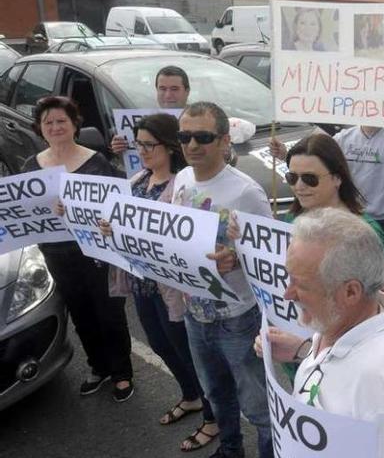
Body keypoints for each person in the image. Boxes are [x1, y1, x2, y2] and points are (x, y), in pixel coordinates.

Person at [254, 208, 384, 457]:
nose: (288, 293)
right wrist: (303, 351)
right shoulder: (338, 319)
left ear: (351, 292)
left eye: (301, 284)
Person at [99, 113, 218, 451]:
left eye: (149, 145)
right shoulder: (138, 179)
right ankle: (191, 396)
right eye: (139, 144)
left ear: (168, 147)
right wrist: (110, 227)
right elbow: (118, 219)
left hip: (172, 289)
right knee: (161, 346)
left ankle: (213, 417)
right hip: (141, 284)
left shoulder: (182, 185)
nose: (143, 150)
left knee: (188, 350)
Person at [172, 102, 273, 458]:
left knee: (259, 408)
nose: (192, 145)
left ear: (224, 140)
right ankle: (230, 450)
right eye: (185, 136)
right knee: (216, 394)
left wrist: (239, 259)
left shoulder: (246, 192)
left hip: (238, 319)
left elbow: (271, 256)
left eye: (203, 136)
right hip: (194, 314)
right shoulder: (182, 178)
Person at [22, 96, 134, 401]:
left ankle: (122, 372)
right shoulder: (32, 167)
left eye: (62, 121)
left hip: (98, 254)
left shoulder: (96, 161)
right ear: (40, 128)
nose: (56, 127)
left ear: (74, 125)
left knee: (109, 312)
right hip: (57, 255)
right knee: (81, 314)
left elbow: (118, 206)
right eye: (49, 122)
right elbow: (27, 213)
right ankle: (99, 366)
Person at [270, 126, 384, 271]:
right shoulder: (344, 137)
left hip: (381, 221)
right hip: (346, 218)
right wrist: (285, 154)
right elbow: (318, 162)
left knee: (377, 276)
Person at [109, 65, 190, 153]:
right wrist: (120, 149)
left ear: (187, 91)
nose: (168, 95)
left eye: (174, 89)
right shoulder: (143, 120)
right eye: (162, 89)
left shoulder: (200, 120)